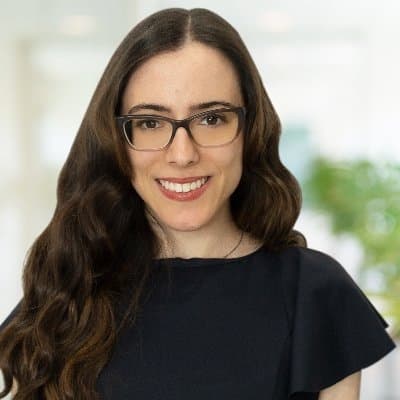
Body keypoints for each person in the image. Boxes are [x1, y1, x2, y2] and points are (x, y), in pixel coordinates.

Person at [0, 7, 396, 400]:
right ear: (117, 141)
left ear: (250, 130)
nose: (182, 154)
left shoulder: (314, 294)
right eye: (150, 123)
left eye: (211, 119)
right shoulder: (64, 298)